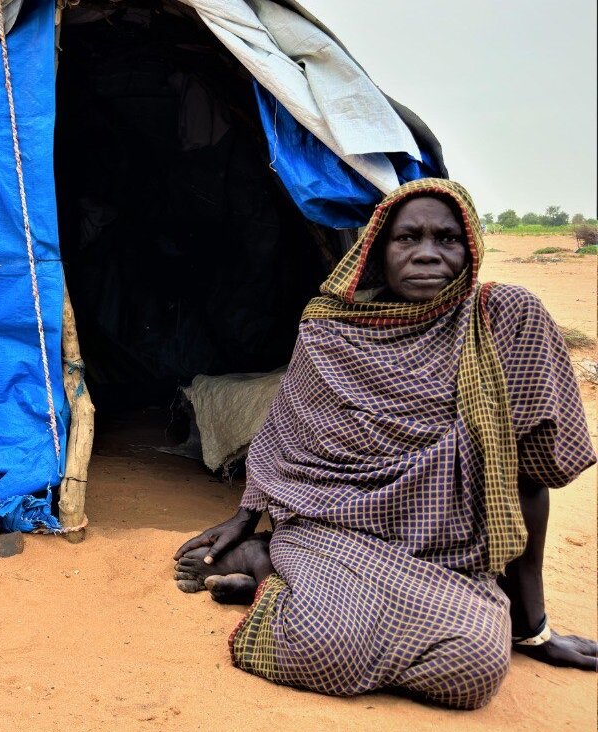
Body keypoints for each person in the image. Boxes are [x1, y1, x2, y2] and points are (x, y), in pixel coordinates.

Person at [173, 178, 597, 709]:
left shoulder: (503, 320)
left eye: (447, 239)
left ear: (472, 248)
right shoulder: (330, 334)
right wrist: (245, 517)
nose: (426, 254)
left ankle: (288, 587)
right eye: (407, 238)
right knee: (320, 645)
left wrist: (533, 628)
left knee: (476, 669)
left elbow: (531, 475)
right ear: (377, 250)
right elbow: (282, 434)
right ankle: (264, 562)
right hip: (331, 530)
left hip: (446, 558)